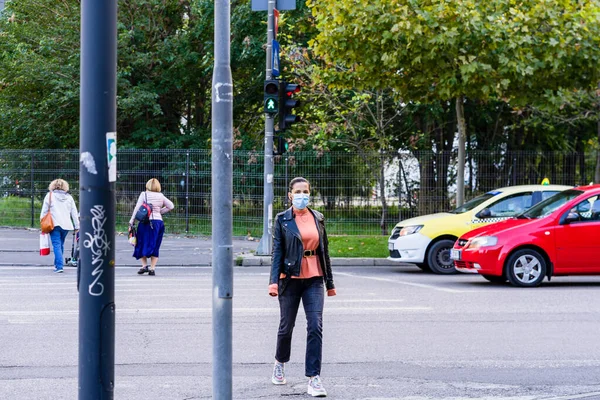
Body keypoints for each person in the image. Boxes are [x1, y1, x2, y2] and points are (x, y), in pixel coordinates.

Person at [268, 177, 336, 398]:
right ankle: (280, 362)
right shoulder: (282, 220)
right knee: (286, 326)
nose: (301, 195)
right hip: (289, 278)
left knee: (315, 325)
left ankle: (314, 378)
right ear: (290, 195)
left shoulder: (318, 217)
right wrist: (273, 282)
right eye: (297, 192)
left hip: (315, 278)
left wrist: (330, 283)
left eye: (305, 191)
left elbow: (324, 251)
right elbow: (277, 252)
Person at [129, 178, 174, 276]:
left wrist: (132, 221)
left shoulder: (144, 194)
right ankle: (152, 268)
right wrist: (159, 212)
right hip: (158, 223)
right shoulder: (161, 196)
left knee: (140, 243)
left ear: (148, 185)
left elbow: (137, 208)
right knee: (155, 244)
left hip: (146, 222)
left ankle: (144, 266)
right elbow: (171, 206)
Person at [40, 179, 79, 273]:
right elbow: (74, 212)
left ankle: (59, 266)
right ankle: (57, 264)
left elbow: (44, 211)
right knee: (60, 244)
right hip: (66, 225)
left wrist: (42, 222)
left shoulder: (49, 196)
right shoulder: (69, 197)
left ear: (52, 186)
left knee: (57, 245)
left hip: (54, 224)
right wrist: (77, 226)